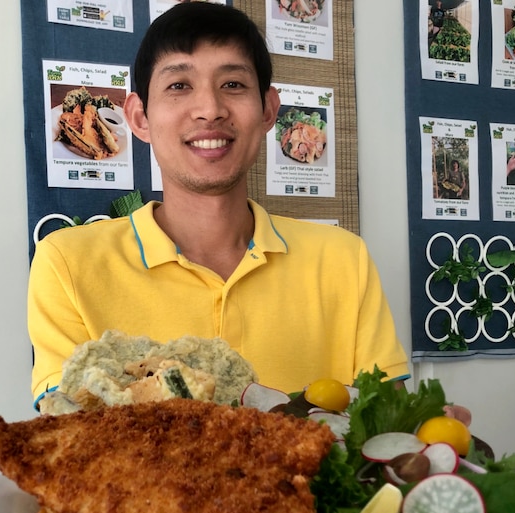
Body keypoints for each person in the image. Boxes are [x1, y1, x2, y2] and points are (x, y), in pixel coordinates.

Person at [27, 2, 409, 408]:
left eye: (233, 85)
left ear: (268, 109)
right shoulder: (68, 263)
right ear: (139, 118)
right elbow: (69, 436)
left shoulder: (343, 258)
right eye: (179, 86)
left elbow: (385, 420)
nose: (210, 109)